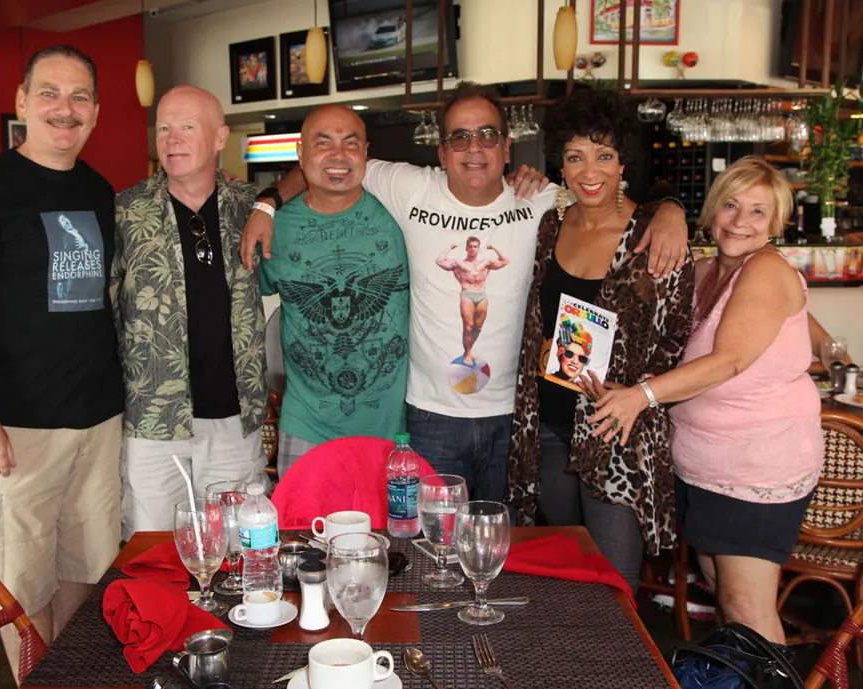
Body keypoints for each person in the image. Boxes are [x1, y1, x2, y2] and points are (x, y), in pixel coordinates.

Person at [240, 81, 689, 502]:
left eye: (487, 135)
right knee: (431, 542)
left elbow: (606, 198)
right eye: (459, 137)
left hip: (516, 416)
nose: (474, 147)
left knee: (505, 537)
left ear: (507, 147)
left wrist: (669, 209)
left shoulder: (544, 200)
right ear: (442, 151)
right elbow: (328, 165)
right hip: (428, 417)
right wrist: (267, 203)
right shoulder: (408, 187)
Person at [0, 45, 124, 665]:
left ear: (96, 111)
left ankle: (65, 674)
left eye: (80, 96)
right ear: (21, 101)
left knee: (84, 570)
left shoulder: (99, 190)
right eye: (49, 93)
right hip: (17, 429)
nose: (65, 109)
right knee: (17, 588)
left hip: (98, 422)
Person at [588, 156, 823, 642]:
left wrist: (643, 395)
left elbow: (728, 361)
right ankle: (738, 673)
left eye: (758, 212)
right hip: (705, 465)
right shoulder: (704, 270)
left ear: (776, 224)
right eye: (731, 206)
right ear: (713, 211)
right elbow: (686, 354)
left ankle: (769, 675)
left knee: (746, 608)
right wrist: (639, 383)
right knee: (723, 594)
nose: (740, 221)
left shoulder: (766, 268)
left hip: (756, 467)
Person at [507, 89, 695, 593]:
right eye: (575, 157)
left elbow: (677, 338)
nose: (590, 172)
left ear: (622, 162)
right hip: (549, 427)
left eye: (604, 156)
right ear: (560, 165)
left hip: (616, 432)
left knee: (614, 586)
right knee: (567, 578)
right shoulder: (549, 226)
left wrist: (640, 390)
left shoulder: (654, 235)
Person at [111, 85, 268, 538]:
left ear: (220, 137)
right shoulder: (125, 211)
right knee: (151, 552)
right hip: (152, 422)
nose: (172, 138)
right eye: (163, 128)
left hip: (234, 421)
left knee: (238, 550)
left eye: (187, 127)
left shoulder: (250, 206)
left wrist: (271, 203)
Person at [259, 105, 409, 476]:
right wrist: (263, 206)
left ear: (366, 153)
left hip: (392, 434)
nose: (338, 155)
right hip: (305, 429)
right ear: (301, 153)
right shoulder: (273, 227)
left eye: (350, 143)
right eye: (323, 143)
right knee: (300, 518)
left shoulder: (400, 213)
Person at [436, 236, 509, 365]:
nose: (473, 249)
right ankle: (468, 353)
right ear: (466, 248)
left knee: (478, 327)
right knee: (468, 326)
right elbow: (440, 261)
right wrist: (450, 247)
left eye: (475, 247)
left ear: (478, 248)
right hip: (467, 295)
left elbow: (505, 261)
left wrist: (494, 248)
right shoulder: (458, 263)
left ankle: (468, 351)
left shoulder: (486, 263)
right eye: (470, 246)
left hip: (482, 296)